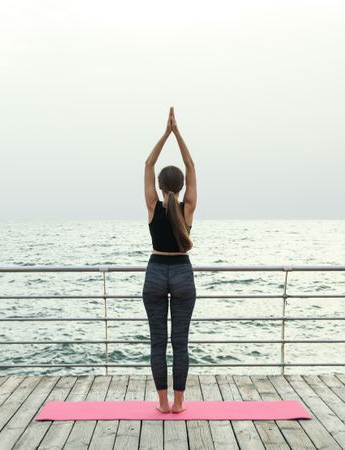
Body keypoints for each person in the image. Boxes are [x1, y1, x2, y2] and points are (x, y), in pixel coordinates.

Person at [143, 106, 197, 413]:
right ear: (180, 187)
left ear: (161, 187)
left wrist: (165, 132)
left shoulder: (153, 206)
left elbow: (149, 162)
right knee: (180, 343)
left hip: (155, 272)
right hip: (181, 273)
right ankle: (178, 404)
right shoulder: (188, 207)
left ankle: (162, 403)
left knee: (158, 343)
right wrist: (178, 133)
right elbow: (190, 164)